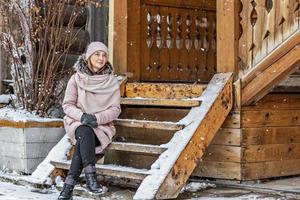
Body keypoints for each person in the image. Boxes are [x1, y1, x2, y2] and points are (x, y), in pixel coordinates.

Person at [58, 42, 121, 200]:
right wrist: (82, 117)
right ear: (88, 57)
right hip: (78, 122)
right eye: (97, 54)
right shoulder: (76, 79)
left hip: (101, 126)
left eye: (104, 55)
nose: (101, 58)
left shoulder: (111, 81)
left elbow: (115, 109)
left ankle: (67, 189)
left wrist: (97, 118)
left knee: (83, 141)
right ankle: (91, 178)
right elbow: (67, 105)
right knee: (84, 131)